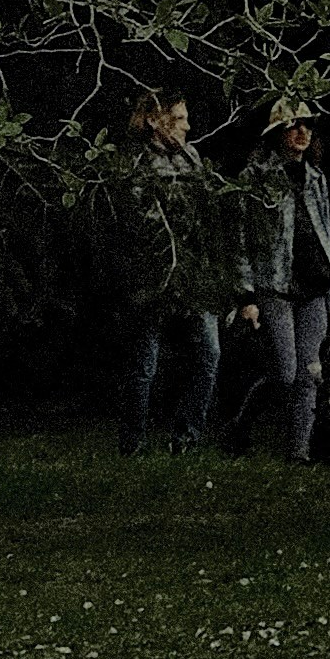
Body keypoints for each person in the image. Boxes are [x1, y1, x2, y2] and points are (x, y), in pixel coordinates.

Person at [108, 87, 219, 456]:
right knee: (145, 364)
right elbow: (140, 222)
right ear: (155, 121)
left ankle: (187, 438)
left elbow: (205, 215)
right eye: (180, 118)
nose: (187, 126)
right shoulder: (135, 163)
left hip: (194, 275)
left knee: (208, 354)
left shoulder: (192, 158)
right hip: (153, 277)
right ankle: (133, 444)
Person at [238, 100, 330, 468]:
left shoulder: (316, 179)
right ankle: (241, 425)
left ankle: (299, 451)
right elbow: (241, 236)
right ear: (277, 133)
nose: (302, 132)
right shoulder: (255, 177)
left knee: (310, 372)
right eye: (293, 125)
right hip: (275, 283)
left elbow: (326, 236)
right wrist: (246, 294)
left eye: (307, 125)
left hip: (313, 284)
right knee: (284, 372)